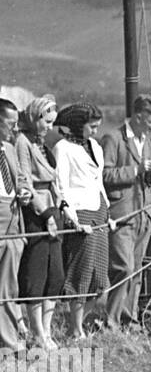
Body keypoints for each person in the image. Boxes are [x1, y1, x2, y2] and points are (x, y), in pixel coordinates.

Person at [101, 95, 151, 329]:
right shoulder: (113, 138)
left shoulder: (145, 140)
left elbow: (142, 175)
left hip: (143, 213)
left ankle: (130, 320)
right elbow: (105, 175)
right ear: (138, 116)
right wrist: (136, 169)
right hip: (123, 214)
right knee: (123, 268)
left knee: (136, 271)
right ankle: (111, 321)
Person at [53, 103, 112, 342]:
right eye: (92, 127)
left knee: (101, 278)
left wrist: (107, 211)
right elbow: (61, 185)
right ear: (79, 125)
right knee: (82, 272)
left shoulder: (95, 147)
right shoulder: (63, 148)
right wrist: (72, 218)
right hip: (81, 214)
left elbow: (98, 182)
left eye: (98, 126)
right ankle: (76, 329)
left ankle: (76, 323)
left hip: (98, 211)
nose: (96, 131)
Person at [14, 96, 63, 350]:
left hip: (53, 206)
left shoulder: (41, 143)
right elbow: (25, 181)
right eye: (45, 121)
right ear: (34, 118)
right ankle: (37, 332)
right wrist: (45, 215)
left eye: (52, 122)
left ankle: (47, 329)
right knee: (37, 273)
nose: (48, 127)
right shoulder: (23, 142)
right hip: (38, 212)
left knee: (55, 274)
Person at [0, 98, 33, 351]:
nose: (15, 129)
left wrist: (24, 192)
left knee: (8, 285)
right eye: (10, 124)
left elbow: (22, 179)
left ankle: (9, 344)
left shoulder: (9, 149)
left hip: (13, 219)